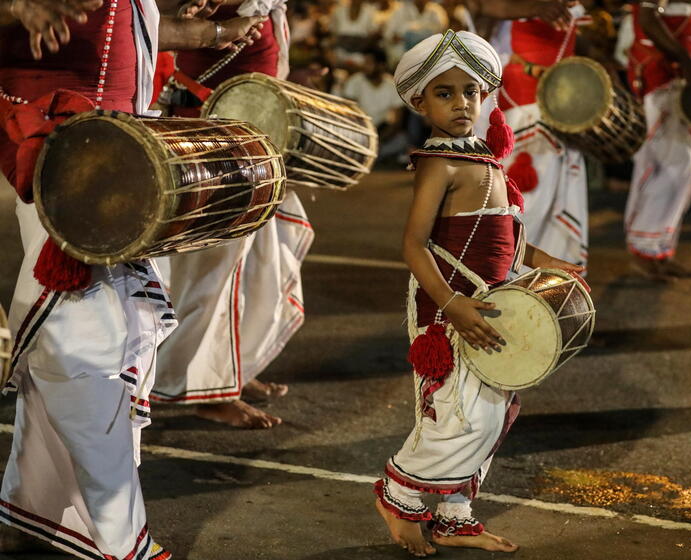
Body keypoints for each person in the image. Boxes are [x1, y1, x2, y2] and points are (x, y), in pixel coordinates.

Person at [375, 29, 584, 557]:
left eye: (470, 92)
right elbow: (414, 245)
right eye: (445, 93)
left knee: (491, 410)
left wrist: (547, 262)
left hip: (493, 304)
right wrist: (453, 305)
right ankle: (398, 498)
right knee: (458, 416)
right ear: (419, 101)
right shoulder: (439, 164)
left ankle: (453, 514)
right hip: (453, 312)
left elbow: (506, 235)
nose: (463, 103)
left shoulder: (481, 159)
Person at [0, 0, 177, 556]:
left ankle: (34, 509)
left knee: (105, 339)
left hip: (118, 150)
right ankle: (120, 539)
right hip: (62, 149)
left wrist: (208, 29)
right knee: (84, 346)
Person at [150, 0, 315, 430]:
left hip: (249, 134)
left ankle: (233, 368)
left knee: (258, 261)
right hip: (215, 136)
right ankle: (208, 389)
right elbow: (170, 17)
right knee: (216, 272)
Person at [493, 2, 591, 268]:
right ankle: (509, 270)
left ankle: (550, 276)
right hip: (526, 96)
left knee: (558, 186)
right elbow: (484, 5)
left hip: (562, 97)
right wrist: (533, 7)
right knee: (531, 191)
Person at [624, 0, 691, 280]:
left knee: (682, 169)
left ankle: (661, 250)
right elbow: (648, 18)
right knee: (665, 165)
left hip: (680, 80)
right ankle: (643, 249)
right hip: (660, 79)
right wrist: (685, 61)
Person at [341, 49, 408, 162]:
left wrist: (379, 140)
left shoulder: (392, 85)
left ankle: (368, 156)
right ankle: (373, 156)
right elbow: (348, 115)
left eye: (369, 63)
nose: (364, 66)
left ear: (381, 65)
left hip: (381, 133)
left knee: (402, 140)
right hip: (360, 131)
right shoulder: (355, 81)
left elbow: (397, 121)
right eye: (364, 62)